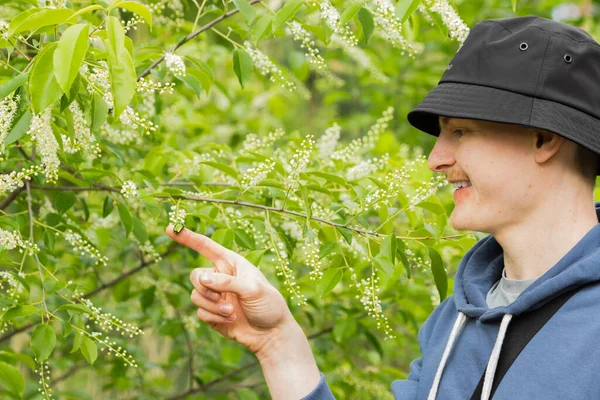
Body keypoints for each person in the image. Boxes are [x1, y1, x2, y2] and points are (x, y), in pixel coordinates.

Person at [165, 15, 600, 400]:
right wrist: (277, 342)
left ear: (544, 139)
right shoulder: (454, 317)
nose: (436, 159)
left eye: (461, 131)